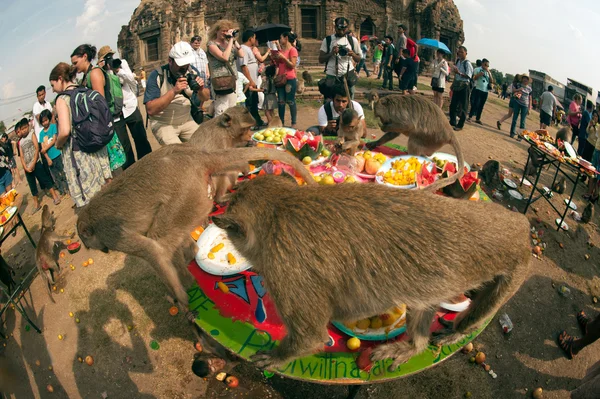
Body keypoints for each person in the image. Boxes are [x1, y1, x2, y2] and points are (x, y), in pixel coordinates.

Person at [49, 62, 112, 208]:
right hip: (97, 148)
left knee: (92, 202)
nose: (53, 90)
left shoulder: (62, 99)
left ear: (60, 78)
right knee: (105, 193)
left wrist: (58, 144)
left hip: (80, 156)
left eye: (53, 85)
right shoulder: (84, 90)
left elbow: (65, 131)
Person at [70, 44, 129, 172]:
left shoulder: (94, 73)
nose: (74, 66)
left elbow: (100, 106)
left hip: (103, 126)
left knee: (115, 168)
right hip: (99, 127)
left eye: (76, 62)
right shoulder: (86, 77)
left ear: (85, 57)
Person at [143, 42, 210, 145]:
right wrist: (174, 91)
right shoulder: (157, 75)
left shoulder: (192, 71)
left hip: (186, 120)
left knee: (206, 144)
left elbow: (205, 97)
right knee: (179, 154)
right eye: (180, 64)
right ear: (170, 61)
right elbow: (151, 109)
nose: (184, 67)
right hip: (164, 123)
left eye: (186, 63)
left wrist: (201, 89)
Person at [14, 118, 61, 212]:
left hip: (37, 163)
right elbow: (22, 157)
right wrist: (26, 168)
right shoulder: (20, 142)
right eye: (22, 129)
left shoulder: (32, 135)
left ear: (28, 127)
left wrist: (33, 163)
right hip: (27, 168)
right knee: (32, 186)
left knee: (45, 179)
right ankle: (36, 204)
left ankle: (54, 196)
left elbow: (36, 149)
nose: (24, 131)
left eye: (25, 128)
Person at [111, 58, 153, 160]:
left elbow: (131, 80)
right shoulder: (102, 72)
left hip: (130, 106)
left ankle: (147, 164)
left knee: (141, 139)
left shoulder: (122, 63)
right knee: (123, 145)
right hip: (116, 113)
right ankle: (130, 170)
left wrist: (118, 70)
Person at [207, 20, 244, 116]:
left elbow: (241, 54)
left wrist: (235, 41)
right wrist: (231, 40)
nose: (225, 33)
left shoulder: (229, 44)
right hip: (220, 80)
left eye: (227, 30)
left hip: (232, 79)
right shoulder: (211, 44)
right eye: (223, 31)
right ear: (216, 31)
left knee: (231, 109)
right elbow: (224, 57)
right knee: (221, 110)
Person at [318, 17, 361, 99]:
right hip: (332, 75)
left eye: (344, 29)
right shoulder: (328, 40)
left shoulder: (352, 40)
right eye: (339, 29)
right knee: (330, 100)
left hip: (348, 74)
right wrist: (332, 53)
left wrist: (353, 54)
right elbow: (321, 59)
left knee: (349, 100)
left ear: (347, 28)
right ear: (335, 27)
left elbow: (358, 59)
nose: (341, 31)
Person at [238, 30, 269, 128]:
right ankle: (251, 123)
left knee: (254, 102)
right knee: (250, 103)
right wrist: (250, 81)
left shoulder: (248, 49)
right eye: (254, 38)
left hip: (253, 81)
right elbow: (244, 66)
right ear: (250, 38)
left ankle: (257, 121)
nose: (255, 40)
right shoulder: (243, 49)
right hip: (249, 82)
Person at [38, 109, 69, 197]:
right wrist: (47, 158)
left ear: (48, 119)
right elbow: (42, 148)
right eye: (42, 121)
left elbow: (54, 139)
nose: (45, 123)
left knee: (63, 172)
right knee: (56, 176)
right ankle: (62, 191)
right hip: (50, 158)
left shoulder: (53, 127)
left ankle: (68, 187)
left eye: (46, 120)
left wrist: (45, 149)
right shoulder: (41, 134)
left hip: (58, 154)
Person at [272, 31, 299, 128]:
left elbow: (292, 65)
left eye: (281, 38)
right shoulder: (282, 51)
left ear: (286, 38)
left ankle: (294, 122)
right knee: (281, 101)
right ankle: (281, 122)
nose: (280, 40)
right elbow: (279, 65)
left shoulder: (293, 50)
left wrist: (283, 58)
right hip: (280, 78)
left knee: (290, 101)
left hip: (289, 78)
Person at [448, 46, 473, 131]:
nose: (460, 53)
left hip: (464, 85)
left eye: (462, 52)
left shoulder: (467, 63)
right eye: (459, 52)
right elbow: (456, 75)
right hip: (457, 84)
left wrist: (459, 73)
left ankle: (460, 125)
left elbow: (468, 76)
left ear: (466, 53)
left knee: (463, 106)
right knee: (453, 104)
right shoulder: (458, 61)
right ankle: (452, 121)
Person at [468, 58, 494, 125]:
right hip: (478, 88)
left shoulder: (488, 72)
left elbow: (491, 81)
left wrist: (489, 72)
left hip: (485, 90)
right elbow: (474, 78)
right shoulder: (477, 69)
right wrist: (479, 74)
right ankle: (470, 116)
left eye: (487, 65)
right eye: (485, 64)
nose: (486, 66)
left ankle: (478, 118)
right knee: (475, 104)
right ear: (482, 63)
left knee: (481, 105)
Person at [509, 74, 533, 139]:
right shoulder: (518, 85)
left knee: (522, 121)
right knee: (515, 118)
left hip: (525, 105)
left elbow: (530, 98)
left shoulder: (529, 89)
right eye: (524, 78)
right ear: (522, 79)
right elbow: (513, 90)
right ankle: (512, 133)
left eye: (526, 79)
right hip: (517, 103)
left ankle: (520, 136)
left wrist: (529, 108)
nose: (525, 80)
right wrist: (518, 89)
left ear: (528, 81)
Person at [585, 111, 600, 202]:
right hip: (596, 148)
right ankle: (594, 194)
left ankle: (590, 194)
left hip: (598, 150)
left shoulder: (598, 126)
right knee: (596, 174)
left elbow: (597, 136)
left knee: (594, 172)